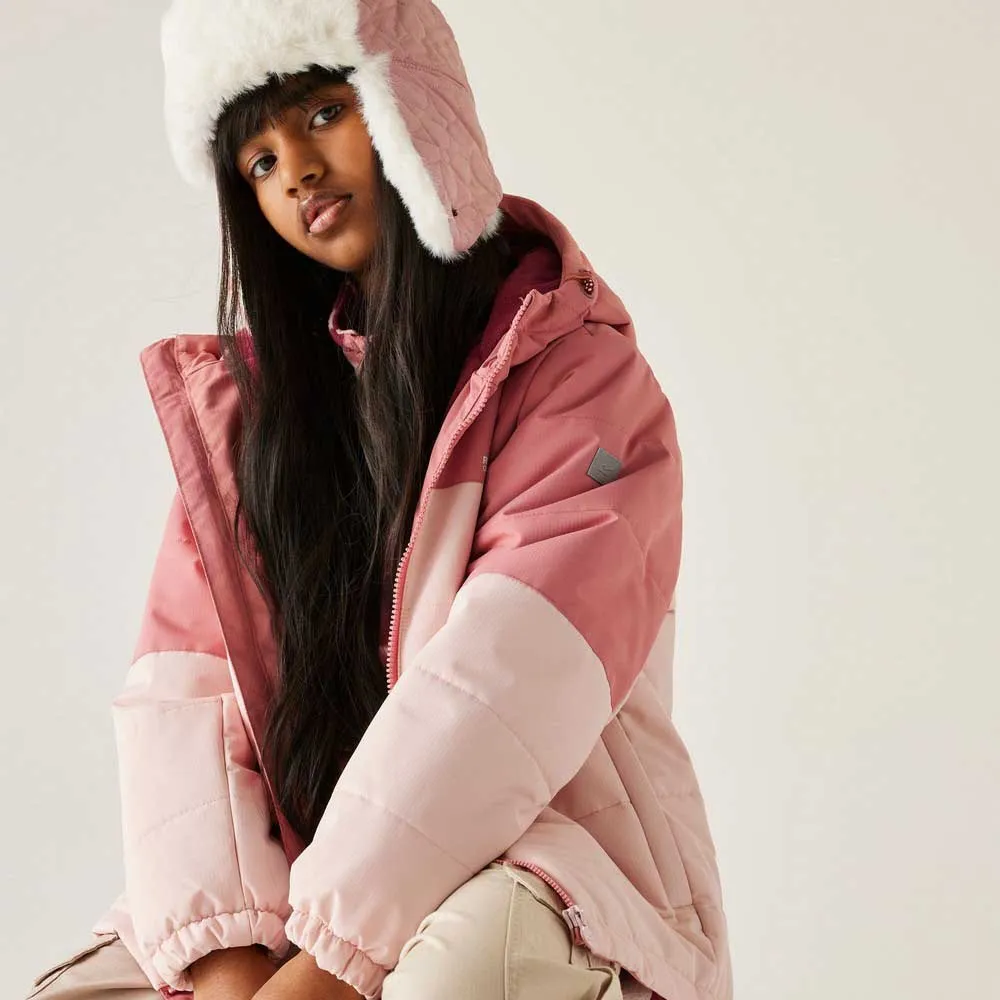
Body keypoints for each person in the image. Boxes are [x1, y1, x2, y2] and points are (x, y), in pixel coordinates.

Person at [23, 2, 733, 999]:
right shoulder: (256, 430)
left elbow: (504, 688)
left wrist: (325, 966)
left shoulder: (582, 382)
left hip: (550, 872)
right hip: (302, 899)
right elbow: (185, 710)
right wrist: (231, 967)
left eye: (322, 113)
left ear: (414, 102)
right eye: (259, 161)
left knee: (463, 973)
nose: (297, 172)